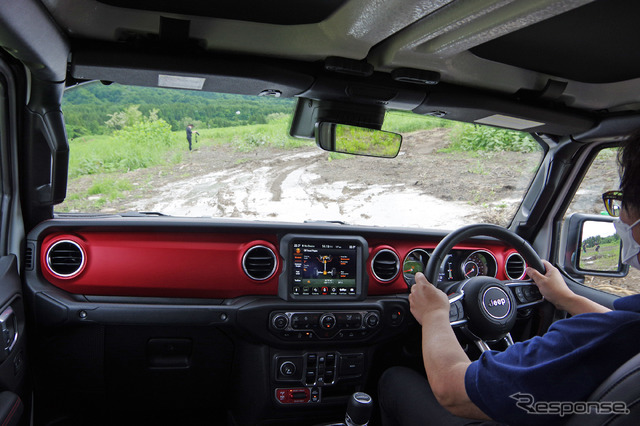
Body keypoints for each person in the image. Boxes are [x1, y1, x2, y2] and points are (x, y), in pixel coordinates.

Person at [379, 136, 640, 426]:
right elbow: (619, 327)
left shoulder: (595, 337)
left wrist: (434, 315)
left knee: (394, 378)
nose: (621, 219)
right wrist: (566, 298)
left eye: (621, 203)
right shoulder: (623, 330)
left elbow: (452, 390)